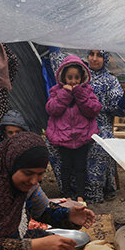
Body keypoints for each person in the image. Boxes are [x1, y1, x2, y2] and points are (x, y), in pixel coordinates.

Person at [82, 50, 125, 202]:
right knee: (53, 144)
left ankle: (95, 192)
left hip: (100, 125)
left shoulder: (110, 81)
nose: (94, 58)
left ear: (106, 58)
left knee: (98, 143)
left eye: (99, 55)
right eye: (91, 54)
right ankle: (71, 190)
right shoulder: (79, 75)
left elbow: (119, 109)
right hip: (76, 123)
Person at [45, 55, 102, 204]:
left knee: (80, 167)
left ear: (82, 77)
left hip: (82, 136)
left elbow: (93, 109)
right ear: (63, 77)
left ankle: (81, 195)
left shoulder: (87, 91)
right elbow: (52, 109)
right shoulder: (56, 91)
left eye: (76, 78)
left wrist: (79, 94)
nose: (73, 81)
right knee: (66, 167)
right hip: (63, 137)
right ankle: (67, 195)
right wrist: (65, 94)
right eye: (69, 77)